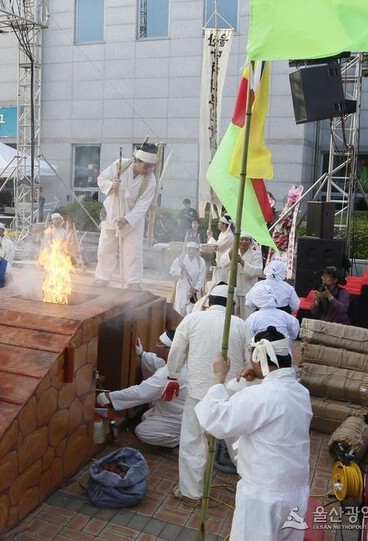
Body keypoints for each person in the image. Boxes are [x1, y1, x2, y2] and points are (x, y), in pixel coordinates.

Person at [195, 326, 311, 540]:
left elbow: (216, 421)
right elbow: (268, 405)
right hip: (296, 492)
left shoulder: (263, 395)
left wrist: (219, 376)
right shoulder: (301, 392)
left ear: (258, 358)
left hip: (263, 497)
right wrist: (258, 379)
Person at [164, 283, 251, 502]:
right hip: (231, 395)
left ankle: (191, 493)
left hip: (199, 393)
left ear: (209, 302)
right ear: (232, 305)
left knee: (193, 442)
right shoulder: (240, 325)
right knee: (240, 446)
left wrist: (172, 375)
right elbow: (250, 361)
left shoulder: (192, 320)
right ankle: (253, 488)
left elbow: (176, 352)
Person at [97, 332, 186, 448]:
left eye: (160, 344)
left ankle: (183, 441)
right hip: (177, 412)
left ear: (170, 351)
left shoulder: (169, 374)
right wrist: (142, 354)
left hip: (179, 417)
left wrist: (109, 397)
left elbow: (141, 393)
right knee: (146, 417)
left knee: (144, 431)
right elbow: (158, 363)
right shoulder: (181, 362)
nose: (156, 346)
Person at [93, 143, 158, 289]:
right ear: (137, 161)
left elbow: (143, 204)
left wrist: (127, 219)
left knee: (133, 252)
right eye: (146, 165)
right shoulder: (120, 165)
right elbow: (101, 179)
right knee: (106, 248)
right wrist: (111, 185)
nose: (148, 169)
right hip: (112, 212)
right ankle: (102, 277)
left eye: (151, 166)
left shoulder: (150, 179)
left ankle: (133, 282)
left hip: (132, 220)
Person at [219, 232, 263, 318]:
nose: (244, 242)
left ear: (250, 242)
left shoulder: (256, 255)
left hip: (247, 291)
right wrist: (231, 254)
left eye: (246, 240)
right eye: (242, 239)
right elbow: (223, 264)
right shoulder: (232, 251)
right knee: (233, 316)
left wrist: (242, 262)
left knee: (246, 316)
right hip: (233, 290)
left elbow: (257, 271)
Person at [170, 242, 206, 316]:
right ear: (187, 250)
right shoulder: (180, 259)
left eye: (194, 249)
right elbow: (172, 271)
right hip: (182, 289)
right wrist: (181, 270)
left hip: (193, 291)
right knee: (179, 311)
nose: (191, 251)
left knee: (191, 312)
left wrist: (196, 288)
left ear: (196, 251)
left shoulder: (201, 261)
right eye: (190, 249)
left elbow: (202, 277)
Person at [211, 215, 234, 286]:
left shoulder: (229, 236)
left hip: (224, 265)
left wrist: (210, 237)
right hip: (218, 263)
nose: (218, 224)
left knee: (221, 283)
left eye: (219, 222)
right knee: (215, 283)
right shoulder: (221, 234)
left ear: (224, 224)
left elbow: (218, 247)